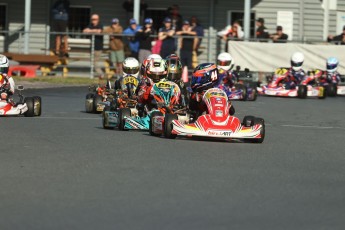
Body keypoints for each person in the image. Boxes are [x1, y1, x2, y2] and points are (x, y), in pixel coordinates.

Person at [83, 14, 104, 78]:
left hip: (98, 47)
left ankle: (101, 74)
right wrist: (94, 31)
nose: (93, 21)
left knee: (95, 62)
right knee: (92, 61)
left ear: (98, 20)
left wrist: (90, 31)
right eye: (92, 19)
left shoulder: (100, 25)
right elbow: (84, 31)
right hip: (92, 47)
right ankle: (96, 74)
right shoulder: (90, 25)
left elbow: (99, 31)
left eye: (94, 19)